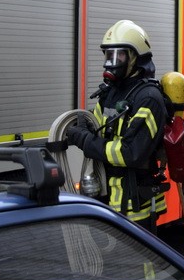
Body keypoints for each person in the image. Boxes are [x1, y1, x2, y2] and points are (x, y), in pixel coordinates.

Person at [66, 20, 169, 232]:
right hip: (107, 197)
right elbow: (95, 129)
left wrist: (85, 140)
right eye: (107, 55)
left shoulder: (149, 98)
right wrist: (81, 130)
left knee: (140, 265)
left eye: (118, 56)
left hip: (135, 204)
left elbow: (130, 153)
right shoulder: (110, 93)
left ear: (135, 58)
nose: (110, 63)